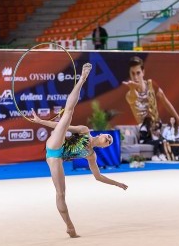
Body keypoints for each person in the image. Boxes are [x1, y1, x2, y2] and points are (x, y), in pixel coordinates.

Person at [30, 63, 128, 238]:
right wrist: (40, 122)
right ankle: (82, 79)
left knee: (61, 193)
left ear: (104, 146)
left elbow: (98, 177)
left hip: (55, 158)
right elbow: (59, 125)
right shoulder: (84, 130)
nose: (108, 139)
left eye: (109, 142)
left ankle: (69, 226)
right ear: (102, 134)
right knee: (67, 115)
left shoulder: (92, 155)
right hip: (56, 144)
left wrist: (117, 184)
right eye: (109, 137)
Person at [122, 56, 179, 129]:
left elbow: (166, 102)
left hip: (157, 127)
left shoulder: (151, 85)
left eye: (138, 73)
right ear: (129, 74)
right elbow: (133, 97)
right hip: (144, 132)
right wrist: (132, 88)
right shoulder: (129, 94)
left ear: (143, 72)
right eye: (133, 73)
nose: (135, 77)